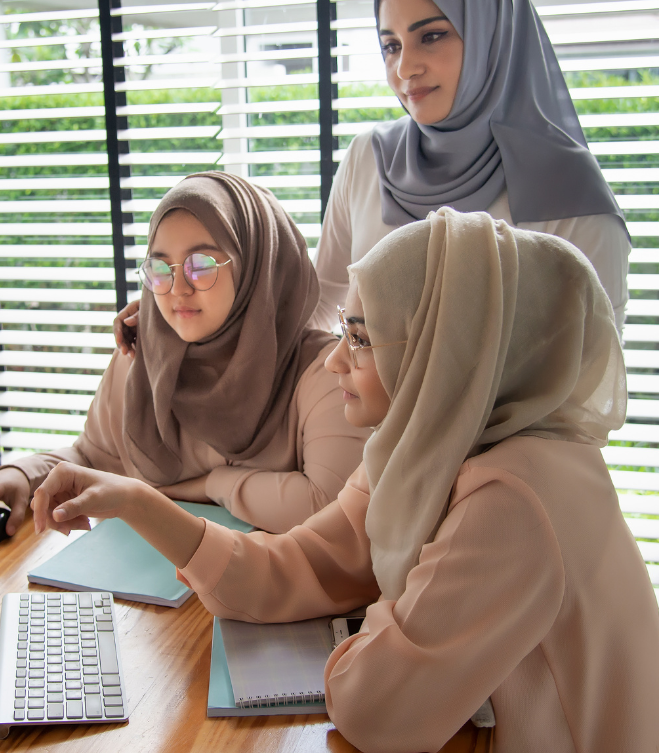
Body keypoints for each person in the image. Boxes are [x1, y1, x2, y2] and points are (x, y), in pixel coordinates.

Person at [33, 208, 659, 752]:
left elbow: (378, 713)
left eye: (361, 337)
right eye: (343, 331)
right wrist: (140, 503)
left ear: (444, 352)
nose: (335, 359)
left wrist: (385, 602)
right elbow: (293, 568)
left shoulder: (514, 495)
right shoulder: (421, 453)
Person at [112, 0, 630, 353]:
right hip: (362, 465)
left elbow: (586, 388)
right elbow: (317, 314)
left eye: (432, 35)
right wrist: (180, 318)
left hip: (497, 482)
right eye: (389, 45)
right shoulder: (369, 159)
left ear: (494, 30)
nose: (406, 67)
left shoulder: (567, 191)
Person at [0, 171, 369, 537]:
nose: (177, 289)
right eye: (161, 268)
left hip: (264, 607)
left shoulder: (327, 371)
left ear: (261, 267)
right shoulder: (141, 359)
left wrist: (211, 485)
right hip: (151, 610)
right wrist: (22, 474)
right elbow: (92, 458)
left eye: (201, 265)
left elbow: (330, 506)